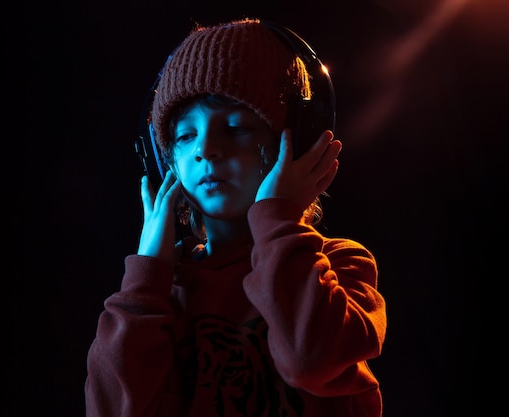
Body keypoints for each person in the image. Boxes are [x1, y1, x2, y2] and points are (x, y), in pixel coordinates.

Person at [85, 18, 387, 417]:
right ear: (164, 160)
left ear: (294, 144)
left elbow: (310, 359)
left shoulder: (342, 266)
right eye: (184, 136)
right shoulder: (162, 295)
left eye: (236, 127)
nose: (206, 149)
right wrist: (145, 279)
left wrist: (279, 221)